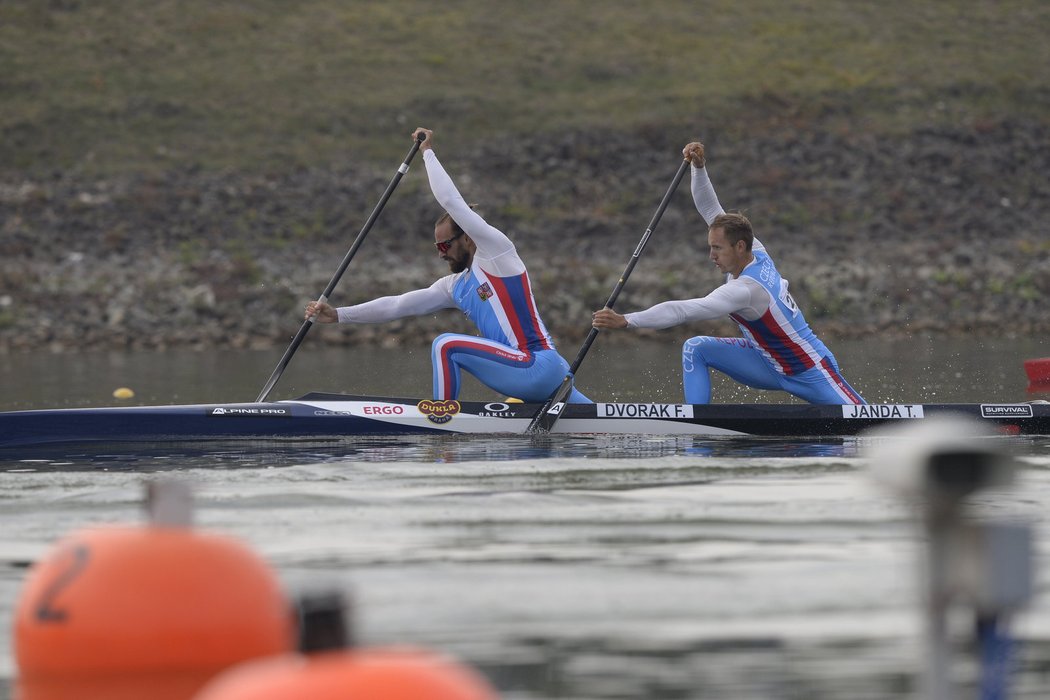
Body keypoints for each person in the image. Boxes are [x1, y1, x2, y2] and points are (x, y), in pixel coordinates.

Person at [306, 128, 591, 404]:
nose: (441, 254)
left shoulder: (495, 254)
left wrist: (426, 151)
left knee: (446, 345)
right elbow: (397, 306)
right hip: (546, 379)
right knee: (607, 423)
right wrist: (338, 315)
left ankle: (441, 416)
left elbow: (451, 202)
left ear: (467, 238)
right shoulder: (454, 286)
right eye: (437, 248)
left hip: (537, 365)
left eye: (445, 246)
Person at [591, 141, 865, 406]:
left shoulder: (745, 289)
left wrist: (627, 320)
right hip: (766, 362)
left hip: (809, 370)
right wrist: (698, 167)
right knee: (696, 348)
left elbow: (685, 311)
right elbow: (711, 209)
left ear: (740, 246)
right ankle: (698, 425)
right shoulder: (755, 250)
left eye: (717, 249)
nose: (711, 256)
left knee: (870, 425)